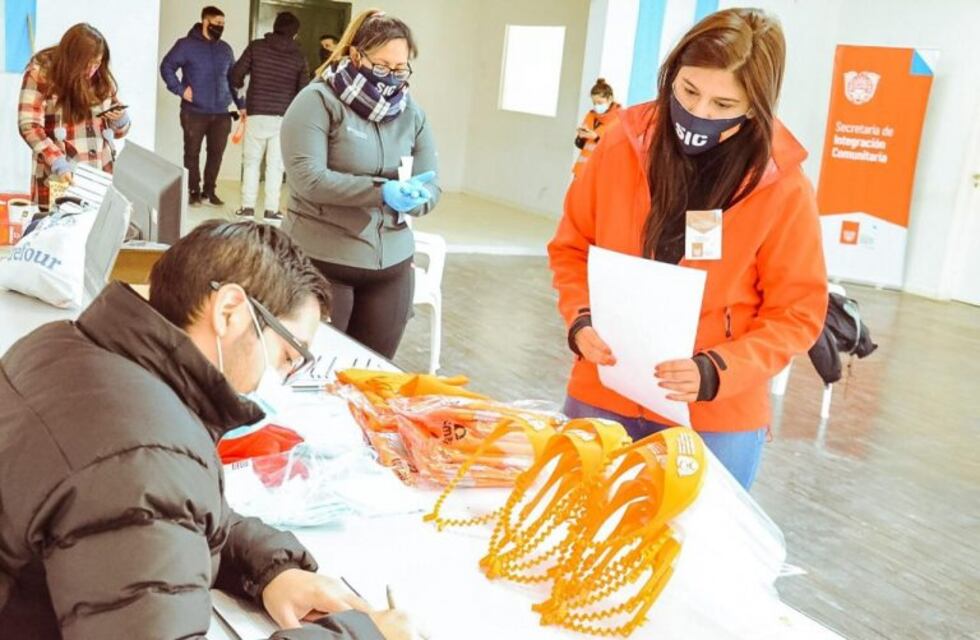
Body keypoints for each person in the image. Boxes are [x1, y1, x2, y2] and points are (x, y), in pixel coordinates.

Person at [0, 220, 425, 639]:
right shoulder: (144, 456)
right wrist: (359, 635)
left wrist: (269, 567)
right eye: (289, 354)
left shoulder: (62, 347)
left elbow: (158, 509)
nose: (285, 375)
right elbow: (145, 488)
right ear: (229, 312)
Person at [548, 8, 828, 490]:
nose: (699, 115)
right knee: (576, 542)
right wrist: (580, 318)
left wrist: (719, 371)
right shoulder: (619, 147)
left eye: (724, 105)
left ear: (756, 105)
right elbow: (572, 248)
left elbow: (797, 312)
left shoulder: (782, 187)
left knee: (693, 559)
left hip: (714, 417)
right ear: (670, 74)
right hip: (603, 389)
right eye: (689, 91)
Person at [281, 10, 440, 359]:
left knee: (372, 377)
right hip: (322, 263)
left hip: (391, 269)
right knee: (315, 374)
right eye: (382, 66)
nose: (392, 78)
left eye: (401, 69)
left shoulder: (412, 113)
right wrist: (381, 191)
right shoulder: (317, 102)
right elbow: (308, 179)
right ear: (355, 55)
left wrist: (418, 197)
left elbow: (432, 186)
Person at [17, 23, 130, 212]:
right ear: (73, 59)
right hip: (61, 173)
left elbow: (117, 130)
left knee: (97, 234)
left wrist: (121, 119)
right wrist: (57, 162)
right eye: (88, 64)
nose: (92, 70)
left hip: (99, 173)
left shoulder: (98, 76)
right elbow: (29, 125)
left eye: (97, 63)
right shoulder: (41, 73)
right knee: (58, 233)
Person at [161, 5, 245, 207]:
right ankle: (193, 191)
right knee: (192, 153)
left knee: (216, 154)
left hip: (221, 114)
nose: (221, 27)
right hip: (194, 113)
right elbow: (167, 66)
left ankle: (209, 191)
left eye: (223, 24)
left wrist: (242, 104)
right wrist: (180, 90)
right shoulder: (186, 45)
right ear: (205, 22)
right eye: (217, 24)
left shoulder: (225, 49)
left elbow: (234, 79)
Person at [231, 11, 309, 221]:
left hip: (256, 113)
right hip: (283, 118)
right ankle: (271, 211)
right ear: (295, 33)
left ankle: (247, 208)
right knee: (276, 166)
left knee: (251, 163)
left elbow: (235, 74)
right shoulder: (299, 56)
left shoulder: (256, 47)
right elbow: (304, 91)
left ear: (275, 26)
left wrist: (240, 95)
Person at [572, 78, 621, 180]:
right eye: (594, 103)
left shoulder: (618, 119)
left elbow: (615, 148)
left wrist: (596, 138)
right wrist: (581, 137)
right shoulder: (590, 116)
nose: (596, 106)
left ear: (610, 99)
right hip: (582, 170)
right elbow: (580, 145)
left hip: (601, 172)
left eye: (599, 102)